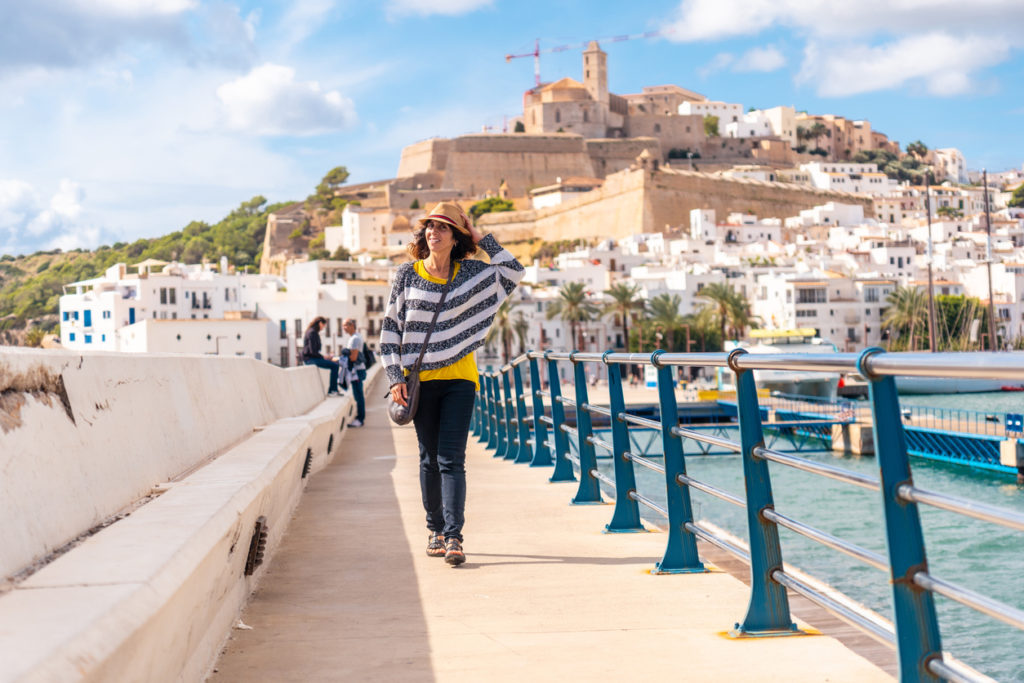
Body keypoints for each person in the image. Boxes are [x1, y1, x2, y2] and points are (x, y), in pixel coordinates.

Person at [381, 201, 524, 566]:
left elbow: (512, 270)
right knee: (429, 458)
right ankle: (435, 529)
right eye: (430, 226)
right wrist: (395, 375)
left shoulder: (471, 274)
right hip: (420, 382)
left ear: (456, 236)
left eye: (444, 227)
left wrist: (479, 237)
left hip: (461, 379)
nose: (434, 232)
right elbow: (390, 329)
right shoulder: (407, 275)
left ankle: (454, 536)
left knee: (452, 458)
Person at [302, 316, 340, 395]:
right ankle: (332, 390)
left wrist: (325, 357)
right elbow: (312, 351)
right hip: (310, 359)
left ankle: (333, 390)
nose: (323, 328)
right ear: (320, 323)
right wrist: (324, 357)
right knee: (335, 366)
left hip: (311, 358)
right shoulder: (312, 333)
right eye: (323, 325)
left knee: (335, 364)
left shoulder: (312, 332)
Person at [342, 318, 366, 427]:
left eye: (345, 325)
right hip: (358, 370)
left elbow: (353, 357)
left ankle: (360, 419)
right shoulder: (355, 337)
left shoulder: (355, 339)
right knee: (358, 395)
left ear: (352, 325)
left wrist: (343, 356)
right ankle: (360, 418)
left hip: (357, 371)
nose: (343, 328)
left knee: (358, 396)